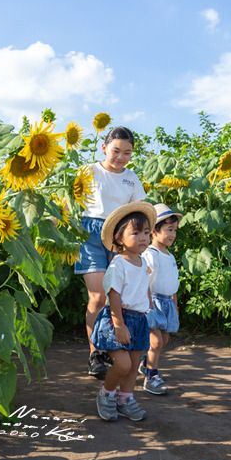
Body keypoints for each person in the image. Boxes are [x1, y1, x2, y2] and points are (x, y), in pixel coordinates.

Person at [74, 126, 146, 378]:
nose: (121, 157)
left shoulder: (131, 178)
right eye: (116, 151)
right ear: (104, 148)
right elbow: (69, 200)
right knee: (97, 297)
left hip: (120, 236)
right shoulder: (89, 170)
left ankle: (114, 349)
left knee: (119, 297)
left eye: (127, 152)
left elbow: (139, 211)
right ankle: (95, 353)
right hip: (90, 233)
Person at [91, 201, 157, 421]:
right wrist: (118, 324)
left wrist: (147, 299)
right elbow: (113, 294)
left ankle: (125, 398)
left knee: (132, 366)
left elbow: (143, 284)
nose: (143, 238)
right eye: (136, 232)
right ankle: (106, 393)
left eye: (146, 233)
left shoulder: (141, 261)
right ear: (119, 238)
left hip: (139, 320)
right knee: (123, 364)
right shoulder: (118, 263)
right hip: (119, 318)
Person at [139, 203, 183, 395]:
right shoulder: (151, 254)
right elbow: (144, 279)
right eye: (168, 230)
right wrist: (147, 303)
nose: (172, 234)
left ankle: (145, 363)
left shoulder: (170, 256)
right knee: (155, 342)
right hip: (153, 302)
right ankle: (151, 377)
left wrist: (175, 304)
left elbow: (173, 282)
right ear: (154, 232)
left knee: (163, 341)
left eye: (174, 230)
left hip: (167, 303)